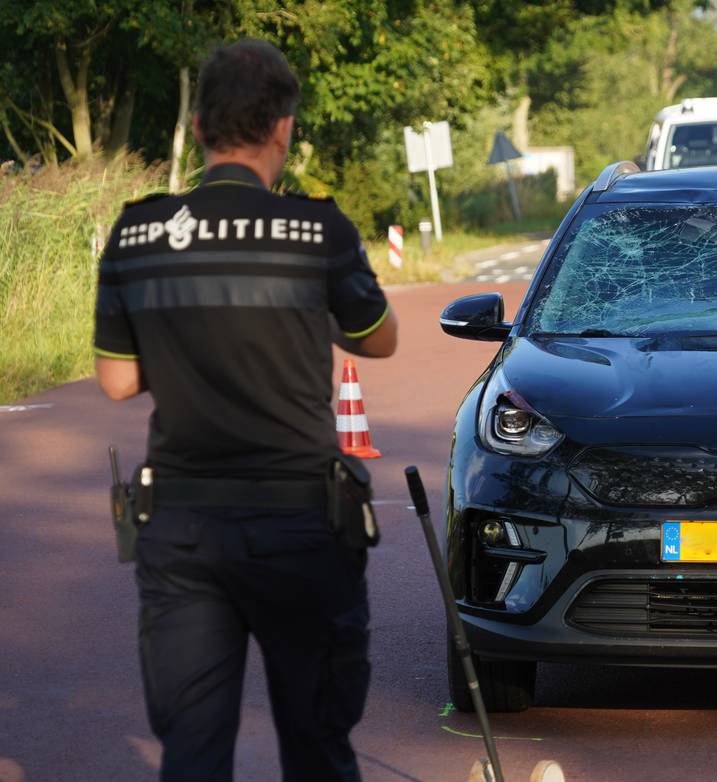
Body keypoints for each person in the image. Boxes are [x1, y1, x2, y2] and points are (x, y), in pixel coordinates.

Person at [93, 39, 398, 781]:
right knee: (319, 748)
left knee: (194, 756)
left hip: (186, 531)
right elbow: (380, 340)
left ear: (198, 128)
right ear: (283, 129)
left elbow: (116, 383)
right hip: (302, 527)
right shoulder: (319, 232)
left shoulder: (136, 233)